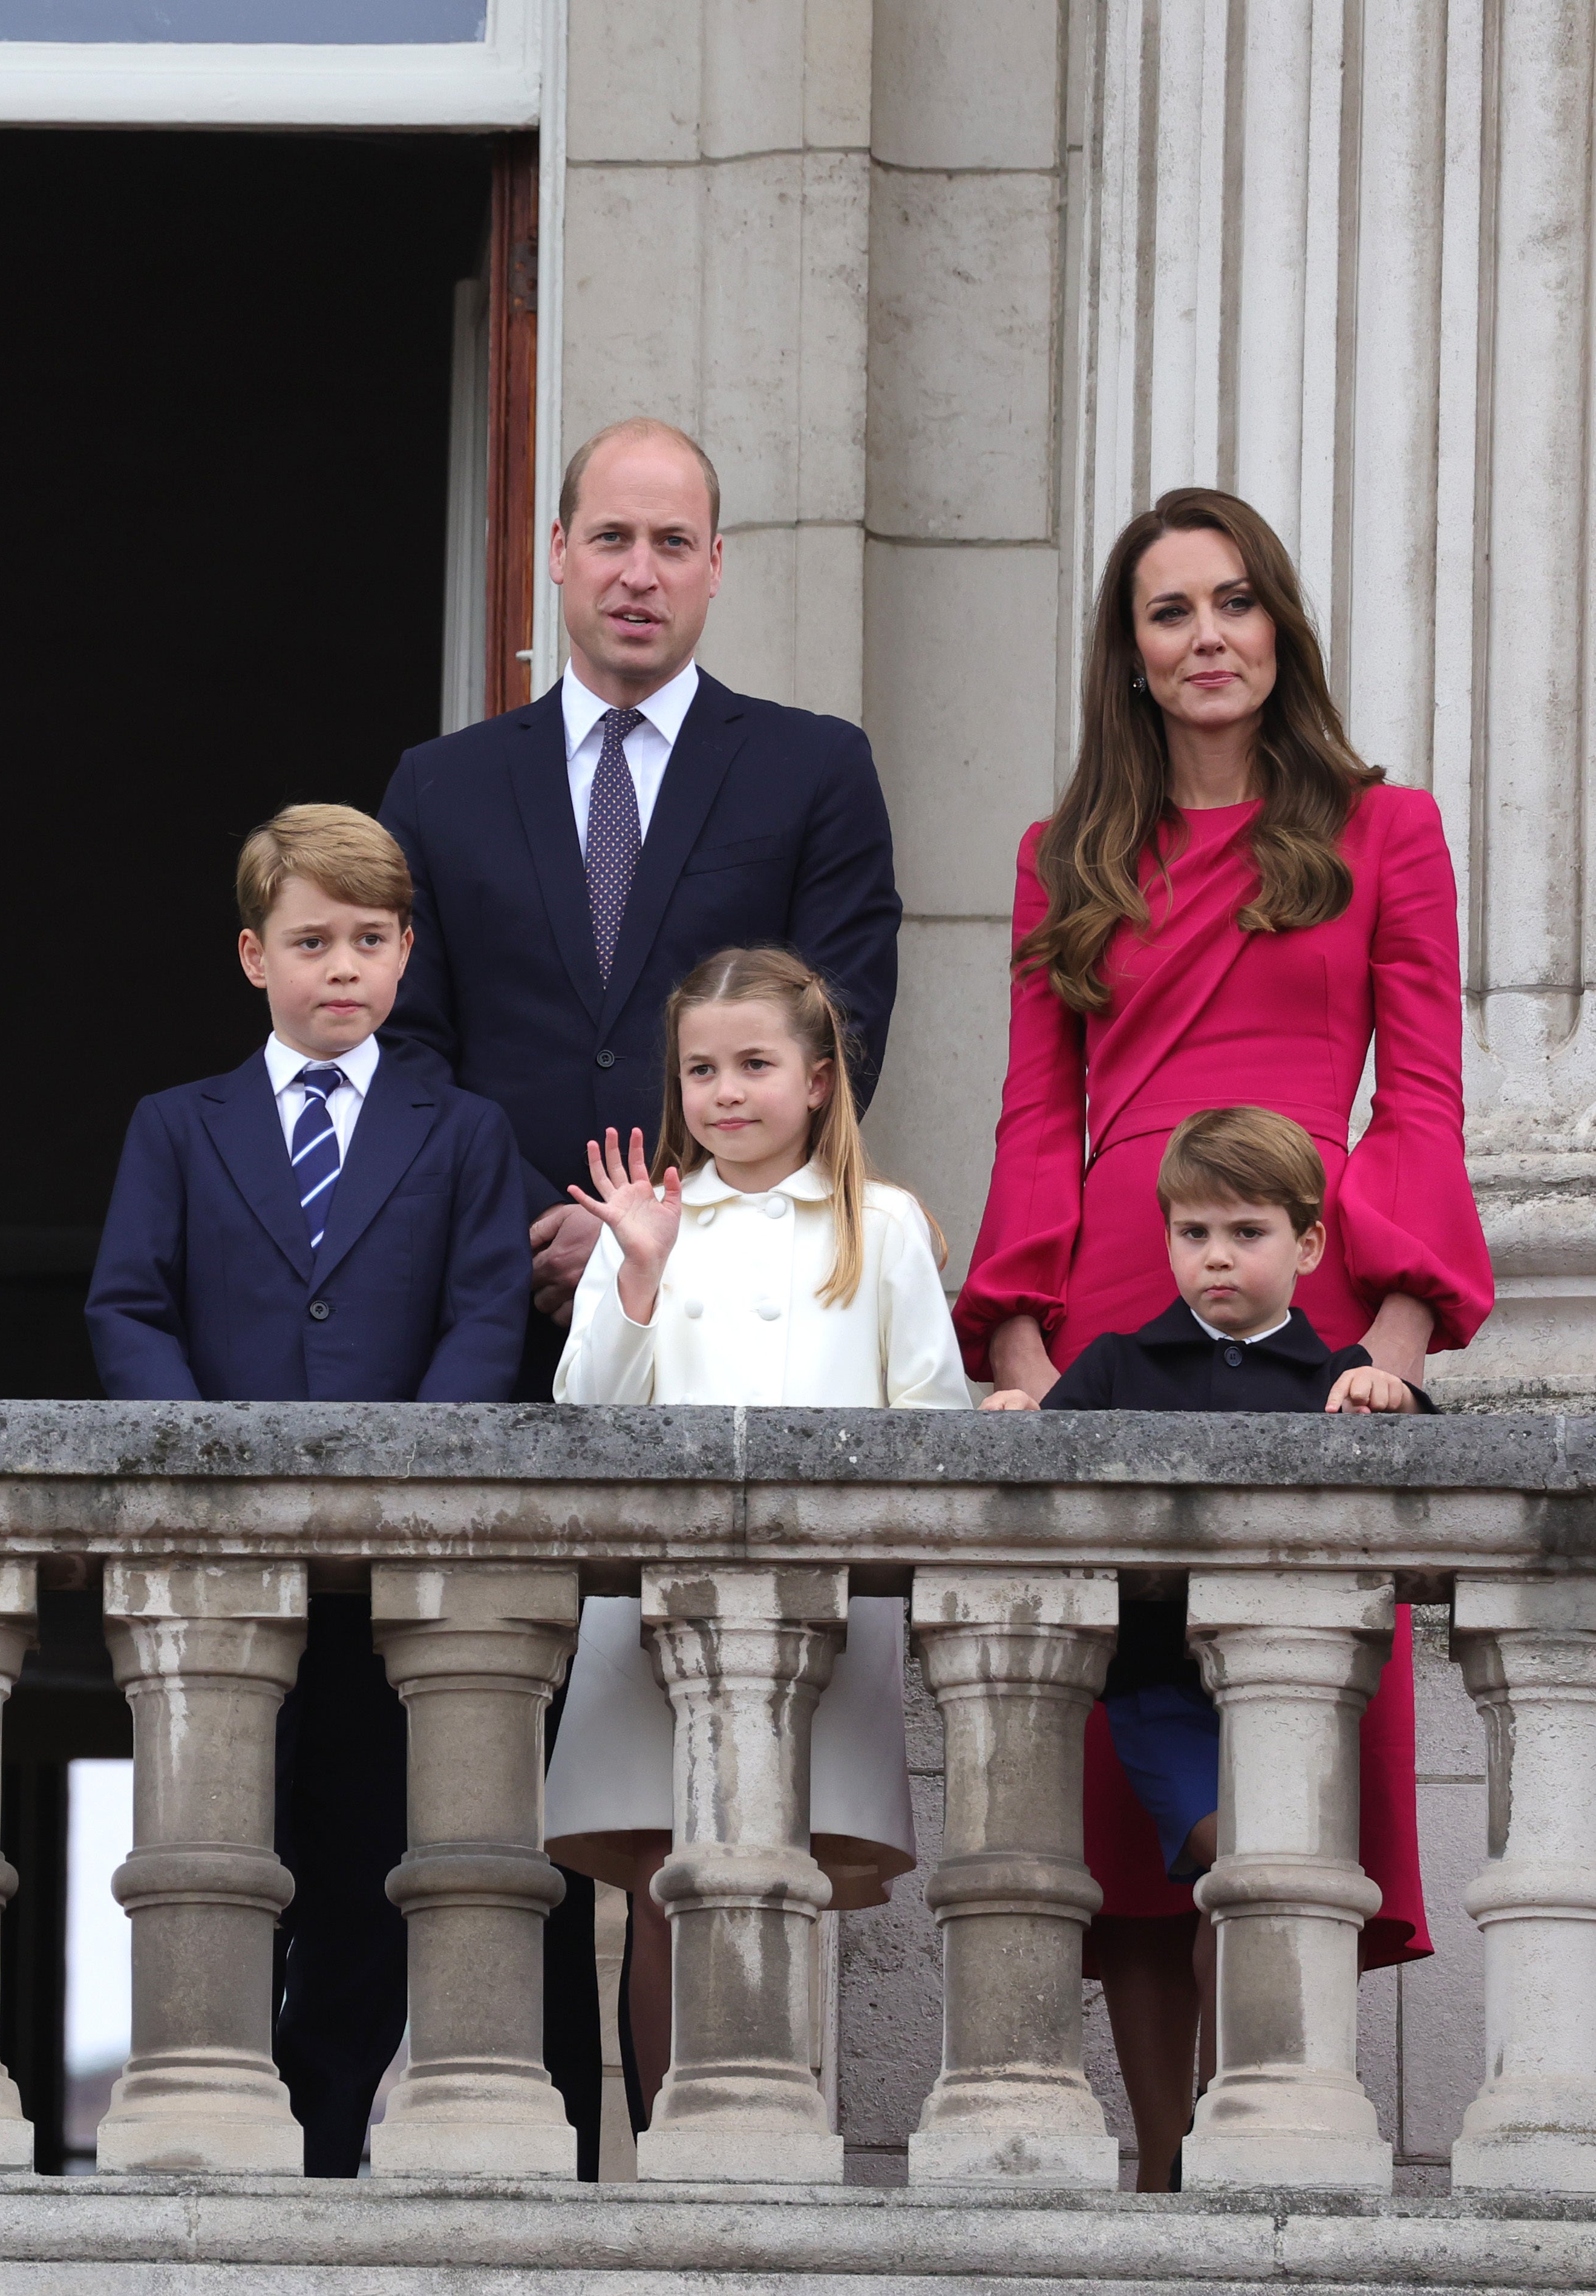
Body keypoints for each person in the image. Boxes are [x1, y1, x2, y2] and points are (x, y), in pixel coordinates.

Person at [377, 415, 903, 2162]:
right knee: (518, 1775)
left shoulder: (808, 769)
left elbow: (839, 1022)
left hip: (736, 1316)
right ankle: (515, 2144)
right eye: (609, 538)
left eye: (672, 544)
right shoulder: (444, 786)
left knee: (732, 1796)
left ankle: (707, 2148)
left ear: (716, 566)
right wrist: (548, 1221)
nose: (636, 574)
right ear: (551, 552)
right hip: (495, 1315)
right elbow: (420, 1042)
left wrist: (653, 1220)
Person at [955, 485, 1489, 2188]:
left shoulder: (1383, 831)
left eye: (1236, 603)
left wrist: (1392, 1333)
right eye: (1170, 610)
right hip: (1118, 1300)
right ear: (1127, 652)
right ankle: (1169, 2174)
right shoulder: (1062, 859)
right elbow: (1032, 1121)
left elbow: (1419, 1099)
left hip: (1314, 1303)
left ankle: (1288, 2136)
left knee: (1298, 1719)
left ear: (1280, 632)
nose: (1207, 637)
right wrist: (1031, 1359)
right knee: (1124, 1760)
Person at [85, 804, 528, 2176]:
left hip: (387, 1584)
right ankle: (215, 2130)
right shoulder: (176, 1125)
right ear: (250, 956)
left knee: (361, 1870)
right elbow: (127, 1308)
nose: (342, 967)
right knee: (219, 1852)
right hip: (224, 1579)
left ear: (405, 956)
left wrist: (403, 1485)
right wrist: (214, 1476)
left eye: (371, 941)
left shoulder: (462, 1133)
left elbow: (484, 1319)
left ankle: (324, 2142)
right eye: (311, 940)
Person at [550, 945, 963, 2135]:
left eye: (753, 1064)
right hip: (655, 1604)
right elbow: (585, 1422)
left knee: (786, 1876)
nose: (724, 1092)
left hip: (821, 1608)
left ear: (820, 1077)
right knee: (658, 1883)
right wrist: (632, 1275)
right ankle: (669, 2143)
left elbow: (929, 1423)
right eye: (698, 1070)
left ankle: (775, 2138)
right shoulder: (651, 1222)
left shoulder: (878, 1225)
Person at [989, 1103, 1431, 2173]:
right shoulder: (1114, 1364)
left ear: (1309, 1244)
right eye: (1193, 1233)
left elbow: (1431, 1479)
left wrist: (1398, 1390)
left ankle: (1214, 2122)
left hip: (1294, 1697)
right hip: (1155, 1694)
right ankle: (1170, 2145)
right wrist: (1007, 1415)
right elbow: (1038, 1471)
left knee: (1247, 1885)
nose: (1217, 1256)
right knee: (1235, 1868)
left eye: (1246, 1231)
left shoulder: (1333, 1380)